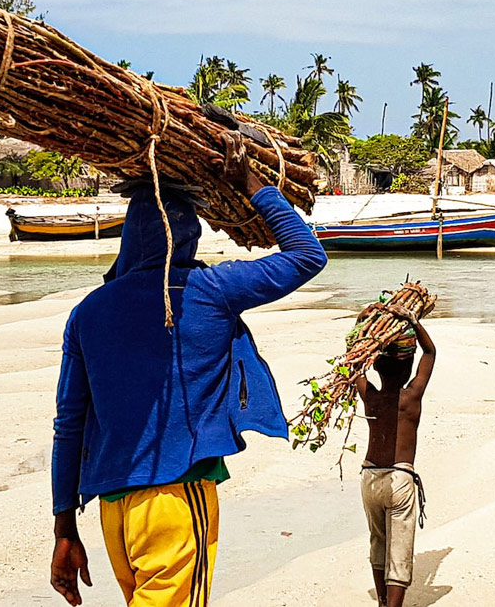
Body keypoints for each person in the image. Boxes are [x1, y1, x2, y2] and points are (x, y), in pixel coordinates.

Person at [47, 158, 328, 607]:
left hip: (113, 507)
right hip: (176, 497)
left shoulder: (88, 312)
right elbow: (307, 254)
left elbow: (69, 425)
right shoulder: (210, 289)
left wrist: (64, 528)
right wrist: (252, 182)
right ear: (189, 234)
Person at [355, 307, 437, 607]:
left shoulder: (371, 396)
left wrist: (361, 323)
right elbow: (430, 353)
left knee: (379, 542)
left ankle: (381, 600)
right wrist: (414, 323)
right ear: (407, 370)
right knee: (399, 550)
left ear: (376, 367)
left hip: (369, 478)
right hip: (399, 479)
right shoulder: (411, 397)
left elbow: (351, 362)